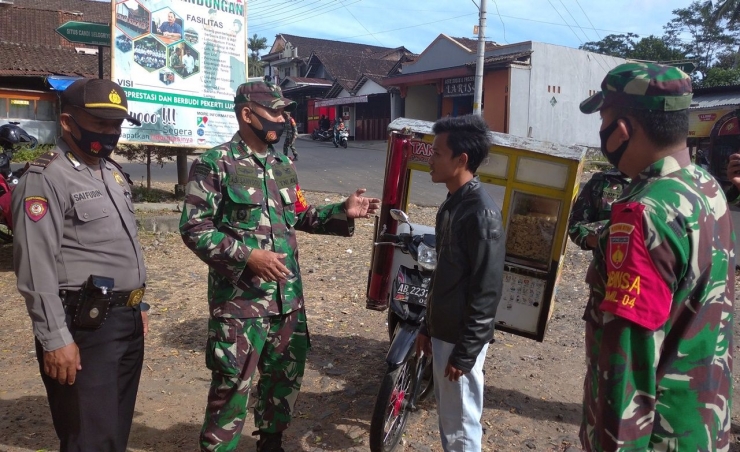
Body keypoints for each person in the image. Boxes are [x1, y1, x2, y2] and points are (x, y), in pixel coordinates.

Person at [179, 80, 380, 452]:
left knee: (282, 379)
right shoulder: (214, 164)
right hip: (240, 305)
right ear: (246, 114)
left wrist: (342, 210)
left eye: (284, 111)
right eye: (275, 111)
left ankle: (270, 442)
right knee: (232, 386)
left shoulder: (283, 165)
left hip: (287, 302)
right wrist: (247, 256)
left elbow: (300, 215)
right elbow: (194, 228)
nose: (284, 119)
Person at [578, 62, 734, 451]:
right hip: (700, 428)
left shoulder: (645, 215)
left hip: (656, 439)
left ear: (623, 130)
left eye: (604, 119)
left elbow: (628, 370)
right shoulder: (706, 187)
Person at [12, 78, 149, 452]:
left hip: (124, 320)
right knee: (88, 437)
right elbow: (35, 268)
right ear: (68, 122)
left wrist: (137, 305)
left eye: (116, 126)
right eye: (100, 124)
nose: (110, 133)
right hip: (83, 325)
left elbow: (120, 247)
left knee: (114, 432)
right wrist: (55, 339)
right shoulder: (46, 177)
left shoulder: (111, 172)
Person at [415, 115, 505, 452]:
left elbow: (487, 290)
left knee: (461, 422)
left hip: (460, 337)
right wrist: (428, 324)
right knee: (451, 417)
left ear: (461, 160)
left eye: (437, 153)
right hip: (446, 330)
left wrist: (465, 352)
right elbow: (443, 275)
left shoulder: (481, 213)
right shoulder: (453, 205)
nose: (430, 159)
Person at [567, 167, 630, 251]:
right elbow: (576, 222)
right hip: (604, 260)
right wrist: (589, 240)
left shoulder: (651, 186)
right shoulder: (601, 180)